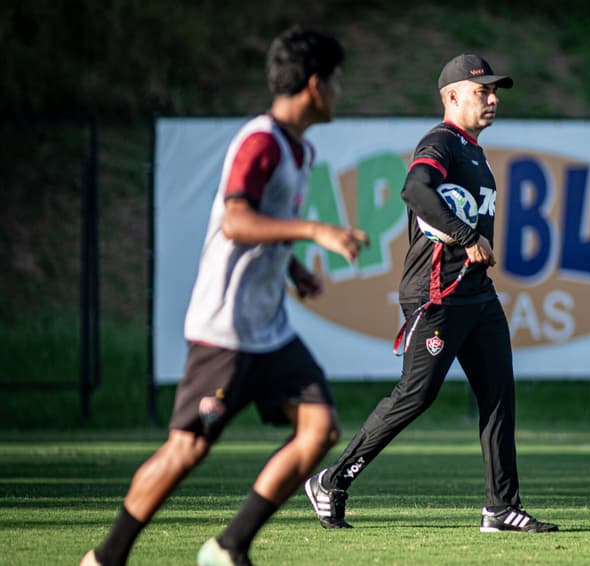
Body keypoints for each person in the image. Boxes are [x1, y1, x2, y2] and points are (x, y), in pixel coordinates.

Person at [81, 26, 369, 566]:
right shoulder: (260, 141)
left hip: (270, 328)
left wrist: (294, 270)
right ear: (315, 84)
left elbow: (265, 228)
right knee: (186, 449)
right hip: (226, 330)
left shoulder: (299, 152)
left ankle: (228, 546)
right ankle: (105, 558)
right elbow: (236, 220)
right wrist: (314, 232)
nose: (339, 91)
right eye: (336, 81)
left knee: (320, 428)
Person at [305, 53, 558, 534]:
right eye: (482, 90)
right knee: (415, 395)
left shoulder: (475, 152)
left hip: (478, 296)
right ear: (452, 96)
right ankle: (332, 481)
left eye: (494, 91)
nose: (492, 98)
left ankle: (501, 508)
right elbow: (415, 190)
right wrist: (467, 236)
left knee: (499, 395)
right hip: (437, 295)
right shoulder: (440, 143)